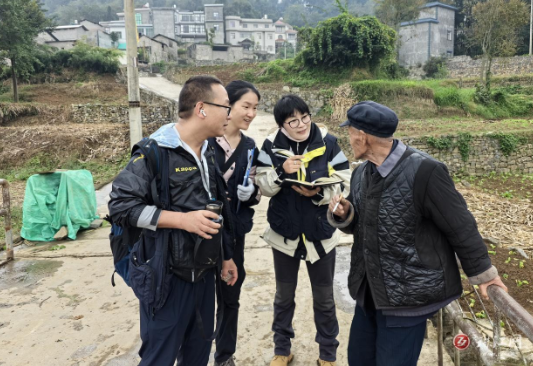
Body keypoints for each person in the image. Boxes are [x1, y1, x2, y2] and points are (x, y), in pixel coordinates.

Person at [327, 101, 508, 366]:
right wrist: (344, 214)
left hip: (407, 297)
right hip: (368, 291)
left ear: (363, 136)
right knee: (359, 359)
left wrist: (484, 275)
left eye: (351, 132)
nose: (349, 138)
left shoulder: (426, 171)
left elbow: (461, 226)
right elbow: (362, 225)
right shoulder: (362, 173)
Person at [108, 75, 239, 366]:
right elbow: (121, 206)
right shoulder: (154, 152)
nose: (230, 115)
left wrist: (226, 257)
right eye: (226, 107)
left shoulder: (209, 152)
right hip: (165, 279)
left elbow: (220, 211)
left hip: (204, 276)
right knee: (159, 357)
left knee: (198, 354)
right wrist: (182, 221)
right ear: (202, 108)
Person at [255, 94, 352, 366]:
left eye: (305, 117)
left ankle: (328, 354)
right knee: (283, 297)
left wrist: (319, 192)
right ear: (281, 126)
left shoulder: (328, 142)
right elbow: (262, 186)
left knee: (324, 299)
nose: (300, 125)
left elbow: (346, 182)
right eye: (292, 121)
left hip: (320, 234)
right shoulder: (270, 146)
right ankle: (282, 349)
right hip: (284, 234)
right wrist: (280, 170)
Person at [208, 80, 262, 366]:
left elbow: (254, 191)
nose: (252, 113)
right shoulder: (205, 142)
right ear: (228, 104)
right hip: (204, 234)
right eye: (246, 106)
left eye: (255, 108)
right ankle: (191, 353)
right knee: (201, 298)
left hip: (235, 235)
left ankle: (225, 356)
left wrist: (251, 192)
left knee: (230, 296)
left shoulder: (251, 147)